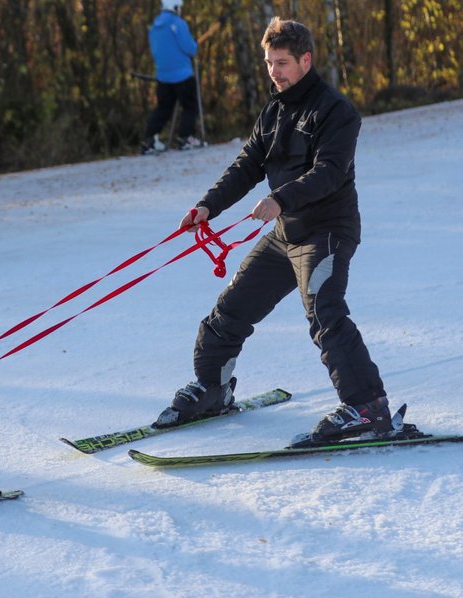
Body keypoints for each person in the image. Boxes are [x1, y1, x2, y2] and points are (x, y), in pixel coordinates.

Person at [154, 17, 392, 447]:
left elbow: (330, 173)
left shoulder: (336, 112)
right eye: (268, 63)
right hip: (285, 234)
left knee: (325, 313)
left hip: (326, 232)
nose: (274, 72)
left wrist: (281, 199)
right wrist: (207, 206)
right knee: (229, 311)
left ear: (305, 59)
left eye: (281, 62)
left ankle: (367, 407)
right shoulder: (273, 110)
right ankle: (214, 389)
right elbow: (247, 164)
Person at [140, 0, 215, 154]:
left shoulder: (155, 26)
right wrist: (193, 46)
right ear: (175, 7)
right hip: (182, 75)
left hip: (163, 76)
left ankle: (149, 140)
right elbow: (190, 48)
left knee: (163, 109)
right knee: (190, 107)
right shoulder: (178, 24)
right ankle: (185, 137)